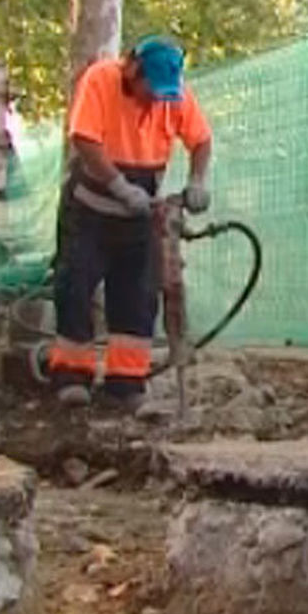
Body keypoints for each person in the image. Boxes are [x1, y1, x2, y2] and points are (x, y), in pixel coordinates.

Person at [48, 35, 212, 410]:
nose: (155, 100)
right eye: (150, 90)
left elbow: (201, 140)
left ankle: (126, 381)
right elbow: (84, 139)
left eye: (163, 94)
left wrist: (197, 181)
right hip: (89, 212)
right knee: (75, 289)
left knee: (138, 297)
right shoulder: (101, 79)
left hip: (139, 218)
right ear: (133, 70)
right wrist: (118, 186)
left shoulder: (173, 95)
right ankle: (72, 375)